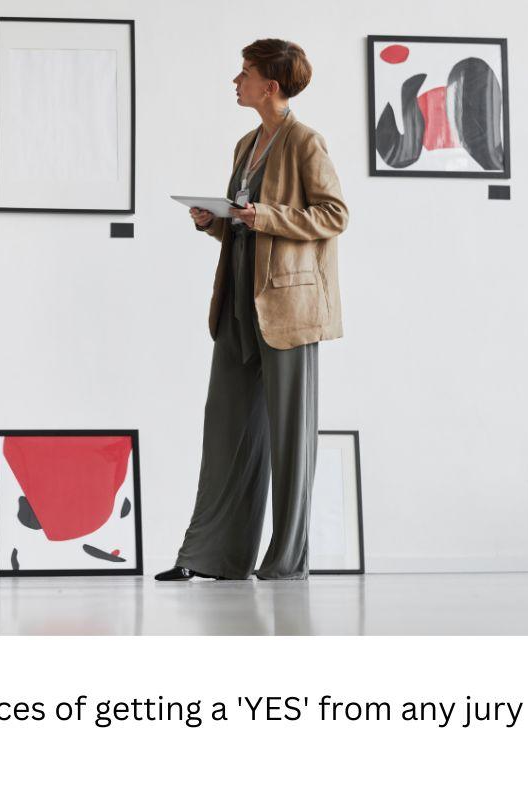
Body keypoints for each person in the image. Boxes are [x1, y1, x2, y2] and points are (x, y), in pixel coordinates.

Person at [156, 39, 349, 582]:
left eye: (243, 73)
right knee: (226, 431)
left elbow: (333, 214)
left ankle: (285, 561)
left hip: (288, 308)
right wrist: (212, 220)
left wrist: (264, 214)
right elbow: (243, 222)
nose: (235, 81)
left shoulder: (306, 142)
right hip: (238, 301)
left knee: (288, 437)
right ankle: (209, 556)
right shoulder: (246, 143)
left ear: (271, 85)